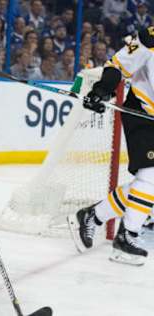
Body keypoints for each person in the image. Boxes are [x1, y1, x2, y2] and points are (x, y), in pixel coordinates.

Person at [67, 27, 154, 266]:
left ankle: (92, 216)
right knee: (152, 175)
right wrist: (102, 90)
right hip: (143, 113)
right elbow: (116, 64)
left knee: (146, 185)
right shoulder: (150, 38)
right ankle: (127, 238)